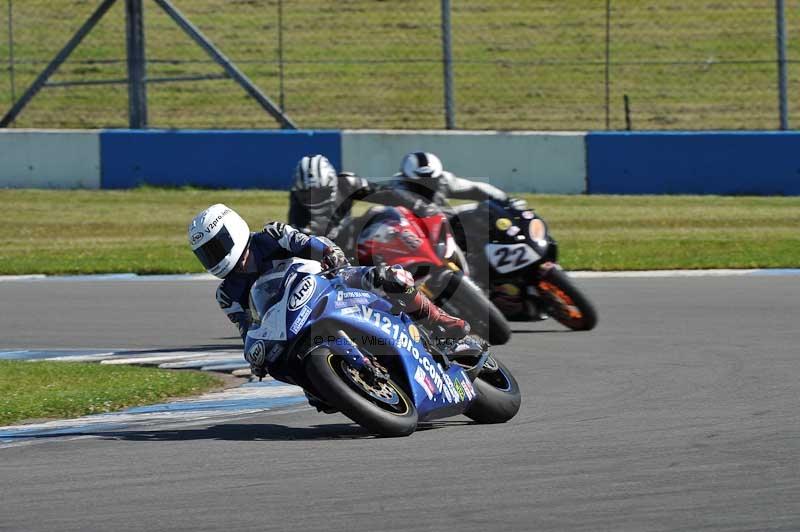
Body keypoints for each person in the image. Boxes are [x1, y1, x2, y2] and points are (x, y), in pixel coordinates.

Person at [188, 203, 469, 381]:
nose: (213, 257)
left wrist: (330, 254)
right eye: (205, 254)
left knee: (389, 277)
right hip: (287, 322)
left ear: (233, 230)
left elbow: (308, 243)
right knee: (277, 364)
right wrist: (254, 356)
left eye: (216, 247)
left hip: (326, 282)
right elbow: (246, 328)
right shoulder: (226, 294)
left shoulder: (271, 235)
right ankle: (326, 385)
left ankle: (436, 319)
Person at [288, 154, 426, 256]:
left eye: (319, 192)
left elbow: (386, 194)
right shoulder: (299, 213)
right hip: (330, 259)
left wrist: (418, 205)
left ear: (332, 184)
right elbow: (305, 250)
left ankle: (424, 253)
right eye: (307, 194)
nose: (313, 198)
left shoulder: (347, 183)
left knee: (383, 214)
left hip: (353, 237)